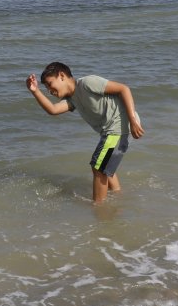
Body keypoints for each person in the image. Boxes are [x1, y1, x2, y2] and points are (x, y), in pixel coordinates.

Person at [26, 62, 144, 203]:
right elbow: (53, 109)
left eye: (50, 84)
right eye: (46, 88)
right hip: (110, 131)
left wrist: (132, 121)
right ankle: (117, 197)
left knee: (98, 167)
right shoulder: (73, 99)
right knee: (105, 167)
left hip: (120, 125)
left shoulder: (87, 83)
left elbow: (123, 89)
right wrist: (35, 91)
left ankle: (99, 208)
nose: (49, 90)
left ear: (62, 76)